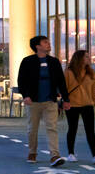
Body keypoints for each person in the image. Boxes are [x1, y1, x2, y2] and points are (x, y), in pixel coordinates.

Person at [16, 35, 69, 166]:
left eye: (48, 42)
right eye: (45, 42)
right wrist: (25, 95)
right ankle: (32, 152)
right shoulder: (27, 61)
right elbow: (21, 80)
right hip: (33, 101)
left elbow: (61, 82)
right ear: (37, 46)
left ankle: (54, 155)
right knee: (32, 128)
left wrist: (66, 99)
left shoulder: (54, 62)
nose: (49, 44)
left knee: (52, 128)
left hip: (50, 100)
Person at [63, 49, 95, 164]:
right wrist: (64, 102)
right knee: (72, 129)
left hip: (87, 105)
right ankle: (71, 153)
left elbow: (93, 92)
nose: (89, 58)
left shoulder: (91, 73)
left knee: (90, 130)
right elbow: (64, 89)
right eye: (86, 56)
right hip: (72, 105)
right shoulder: (69, 72)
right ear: (80, 58)